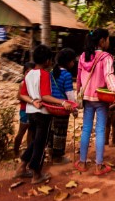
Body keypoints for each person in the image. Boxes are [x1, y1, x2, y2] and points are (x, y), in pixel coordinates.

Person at [15, 45, 74, 184]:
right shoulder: (45, 74)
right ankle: (36, 174)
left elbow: (22, 95)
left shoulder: (29, 74)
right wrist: (62, 102)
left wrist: (32, 101)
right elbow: (46, 96)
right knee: (40, 144)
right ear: (48, 61)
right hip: (42, 113)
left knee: (36, 141)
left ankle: (22, 167)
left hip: (30, 112)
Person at [76, 29, 115, 176]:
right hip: (100, 98)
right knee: (100, 130)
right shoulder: (106, 57)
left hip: (86, 98)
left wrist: (79, 93)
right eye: (108, 39)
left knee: (86, 130)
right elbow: (108, 75)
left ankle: (82, 163)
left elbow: (79, 78)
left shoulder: (84, 56)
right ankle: (99, 165)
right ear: (102, 41)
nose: (109, 42)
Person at [48, 48, 78, 164]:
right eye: (72, 61)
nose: (74, 63)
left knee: (52, 131)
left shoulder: (51, 73)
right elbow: (69, 94)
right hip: (62, 108)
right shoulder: (67, 75)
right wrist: (74, 109)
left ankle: (50, 152)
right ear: (67, 62)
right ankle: (57, 157)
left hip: (51, 106)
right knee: (60, 132)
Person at [13, 62, 35, 157]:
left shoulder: (34, 84)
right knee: (21, 132)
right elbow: (19, 96)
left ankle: (28, 152)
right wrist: (30, 99)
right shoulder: (23, 83)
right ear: (24, 73)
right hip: (25, 110)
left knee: (31, 132)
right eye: (27, 72)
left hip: (33, 110)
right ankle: (15, 151)